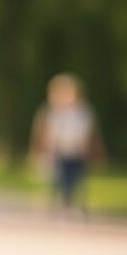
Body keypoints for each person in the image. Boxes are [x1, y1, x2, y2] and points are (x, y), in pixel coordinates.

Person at [29, 73, 106, 216]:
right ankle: (61, 203)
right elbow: (43, 132)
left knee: (78, 179)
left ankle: (75, 204)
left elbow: (92, 133)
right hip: (60, 152)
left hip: (78, 152)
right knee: (60, 179)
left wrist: (96, 150)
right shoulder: (51, 112)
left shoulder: (84, 112)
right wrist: (41, 150)